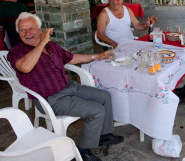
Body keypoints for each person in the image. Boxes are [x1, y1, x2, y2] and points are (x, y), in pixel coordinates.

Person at [7, 12, 124, 161]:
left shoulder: (51, 46)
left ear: (39, 29)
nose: (27, 33)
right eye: (22, 30)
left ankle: (103, 135)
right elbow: (24, 67)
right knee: (96, 111)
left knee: (104, 96)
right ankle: (83, 151)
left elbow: (71, 58)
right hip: (50, 99)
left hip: (68, 87)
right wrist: (41, 43)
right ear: (18, 33)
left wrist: (98, 56)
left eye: (31, 29)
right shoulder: (16, 52)